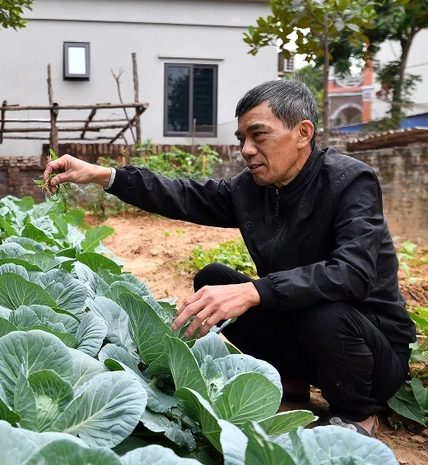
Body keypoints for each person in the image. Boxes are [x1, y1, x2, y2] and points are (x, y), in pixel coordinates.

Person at [43, 79, 415, 437]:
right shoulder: (254, 190)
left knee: (321, 308)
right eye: (242, 139)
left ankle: (356, 414)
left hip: (371, 355)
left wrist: (255, 292)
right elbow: (183, 194)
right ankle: (293, 382)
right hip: (310, 341)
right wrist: (104, 176)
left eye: (259, 135)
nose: (247, 149)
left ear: (303, 133)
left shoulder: (350, 181)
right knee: (214, 280)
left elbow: (354, 273)